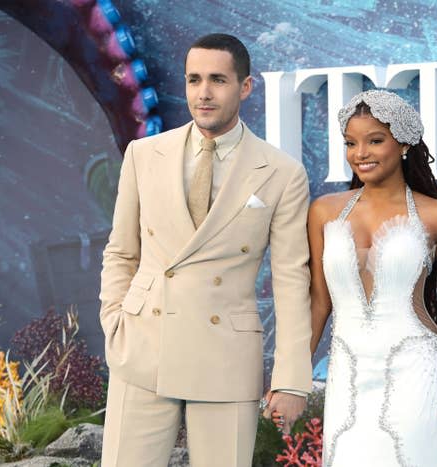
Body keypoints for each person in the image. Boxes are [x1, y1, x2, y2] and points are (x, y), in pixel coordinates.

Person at [98, 33, 312, 467]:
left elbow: (292, 280)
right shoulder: (143, 154)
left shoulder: (283, 173)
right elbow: (121, 252)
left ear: (245, 87)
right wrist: (115, 320)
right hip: (143, 344)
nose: (204, 92)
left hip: (225, 355)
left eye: (218, 79)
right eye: (194, 79)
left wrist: (291, 380)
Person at [308, 89, 437, 466]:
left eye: (375, 140)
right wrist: (293, 372)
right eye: (350, 143)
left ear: (403, 144)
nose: (361, 153)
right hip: (348, 373)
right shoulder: (323, 212)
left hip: (416, 372)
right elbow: (320, 302)